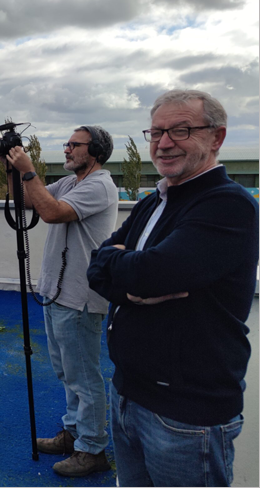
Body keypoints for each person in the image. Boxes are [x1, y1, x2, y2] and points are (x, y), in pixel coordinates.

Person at [87, 90, 258, 487]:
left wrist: (125, 269)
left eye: (181, 130)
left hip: (185, 415)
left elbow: (152, 273)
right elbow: (97, 267)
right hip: (128, 394)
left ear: (216, 138)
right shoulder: (153, 201)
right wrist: (128, 285)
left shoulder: (227, 205)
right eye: (157, 132)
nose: (164, 143)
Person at [1, 125, 118, 477]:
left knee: (84, 376)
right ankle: (73, 434)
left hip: (80, 296)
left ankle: (92, 448)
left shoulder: (100, 186)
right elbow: (26, 201)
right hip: (57, 292)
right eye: (66, 144)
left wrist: (28, 169)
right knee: (67, 371)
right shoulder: (71, 182)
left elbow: (51, 212)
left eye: (75, 145)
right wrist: (11, 169)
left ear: (95, 150)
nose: (67, 149)